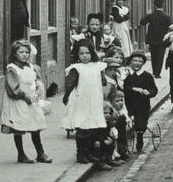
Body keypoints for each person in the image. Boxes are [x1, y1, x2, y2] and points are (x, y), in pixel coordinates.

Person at [62, 38, 115, 170]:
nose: (85, 56)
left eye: (87, 53)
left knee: (94, 128)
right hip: (82, 100)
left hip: (95, 99)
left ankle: (89, 152)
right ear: (77, 55)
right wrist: (66, 96)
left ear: (92, 53)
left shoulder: (98, 66)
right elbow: (70, 84)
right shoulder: (76, 68)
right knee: (82, 127)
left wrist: (103, 77)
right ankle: (81, 153)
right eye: (81, 54)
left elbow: (103, 81)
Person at [2, 40, 52, 163]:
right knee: (19, 127)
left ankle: (40, 153)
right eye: (21, 52)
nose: (24, 54)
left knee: (35, 126)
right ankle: (21, 154)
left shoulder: (30, 67)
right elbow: (13, 88)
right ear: (15, 54)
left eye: (27, 52)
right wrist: (25, 97)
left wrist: (37, 90)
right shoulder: (12, 69)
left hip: (31, 100)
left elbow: (34, 81)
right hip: (18, 101)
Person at [122, 50, 158, 152]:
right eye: (134, 60)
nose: (137, 63)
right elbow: (123, 88)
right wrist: (133, 89)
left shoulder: (147, 76)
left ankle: (140, 138)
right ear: (131, 62)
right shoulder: (127, 75)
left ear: (143, 63)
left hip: (143, 105)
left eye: (140, 61)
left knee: (141, 125)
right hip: (129, 104)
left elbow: (154, 90)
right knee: (127, 124)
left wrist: (149, 92)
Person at [102, 51, 130, 164]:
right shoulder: (105, 82)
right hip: (105, 109)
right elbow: (105, 98)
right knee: (112, 128)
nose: (113, 72)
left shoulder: (114, 79)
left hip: (113, 107)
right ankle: (113, 154)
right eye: (111, 69)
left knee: (121, 122)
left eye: (115, 69)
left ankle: (122, 149)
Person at [139, 0, 172, 83]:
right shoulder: (166, 17)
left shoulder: (151, 16)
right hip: (162, 39)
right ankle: (158, 73)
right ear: (163, 5)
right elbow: (170, 27)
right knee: (160, 56)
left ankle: (154, 72)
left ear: (154, 5)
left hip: (152, 39)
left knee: (153, 56)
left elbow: (142, 22)